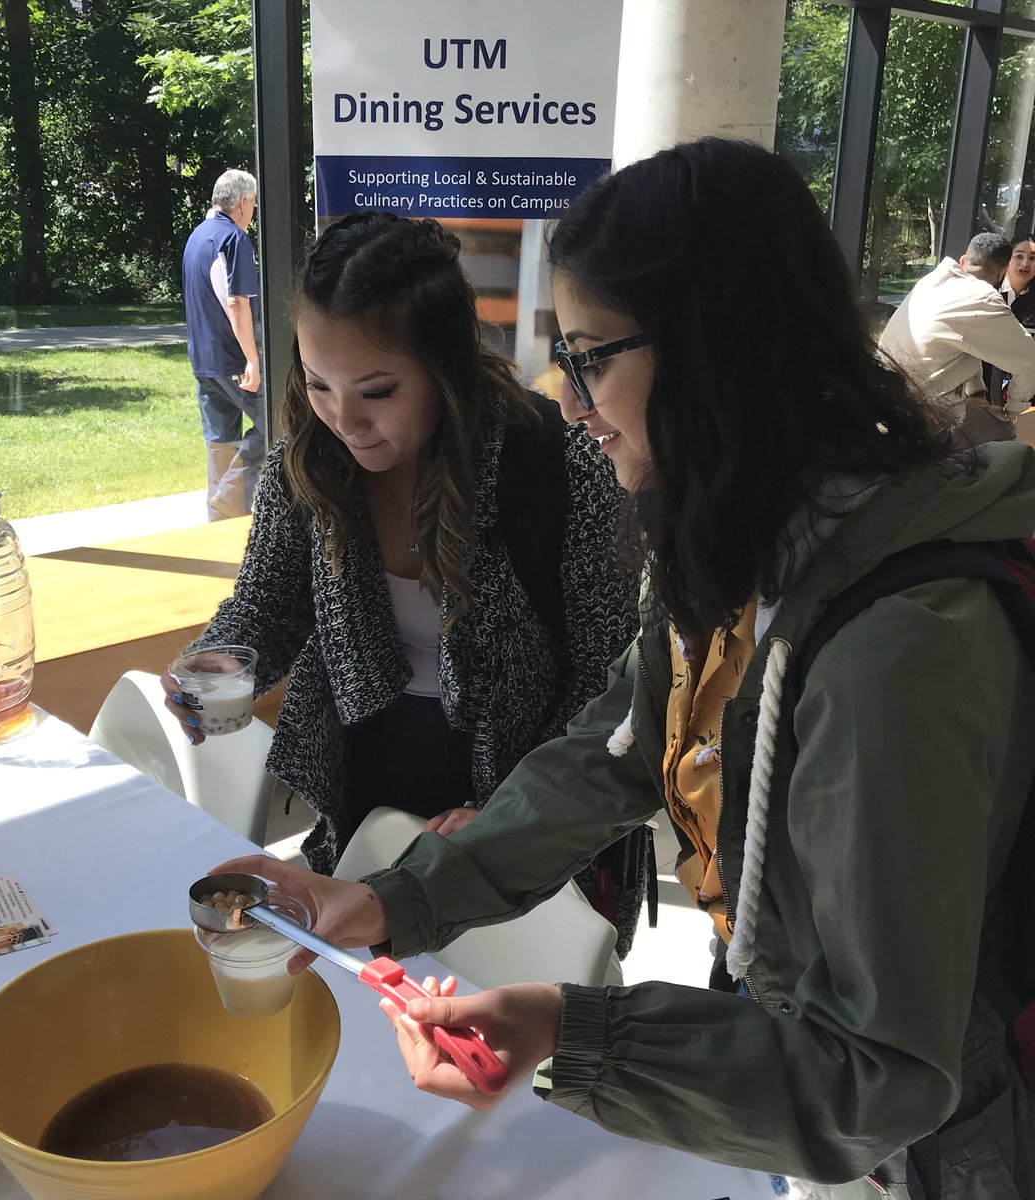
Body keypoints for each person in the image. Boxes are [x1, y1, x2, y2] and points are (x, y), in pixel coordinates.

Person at [214, 140, 1035, 1198]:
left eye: (592, 354)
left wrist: (570, 1033)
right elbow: (610, 750)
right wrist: (383, 903)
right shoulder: (748, 543)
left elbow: (873, 1080)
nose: (569, 397)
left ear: (717, 352)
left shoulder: (899, 650)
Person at [166, 211, 648, 951]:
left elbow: (606, 684)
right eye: (319, 384)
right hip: (365, 773)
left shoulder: (559, 463)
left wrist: (507, 812)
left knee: (504, 1017)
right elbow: (266, 604)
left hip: (535, 783)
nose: (343, 420)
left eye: (378, 390)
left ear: (447, 367)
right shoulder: (309, 459)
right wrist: (219, 660)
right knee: (372, 981)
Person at [879, 231, 1035, 446]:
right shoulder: (982, 299)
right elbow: (1029, 359)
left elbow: (967, 341)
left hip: (884, 398)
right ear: (1002, 272)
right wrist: (1013, 411)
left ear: (963, 260)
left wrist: (976, 395)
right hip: (919, 412)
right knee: (1004, 431)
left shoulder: (930, 282)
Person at [182, 168, 266, 520]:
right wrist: (253, 360)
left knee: (220, 441)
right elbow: (236, 302)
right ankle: (229, 501)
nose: (254, 212)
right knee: (278, 424)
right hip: (232, 359)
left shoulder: (197, 237)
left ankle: (218, 522)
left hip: (203, 360)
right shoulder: (233, 239)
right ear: (244, 203)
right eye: (255, 204)